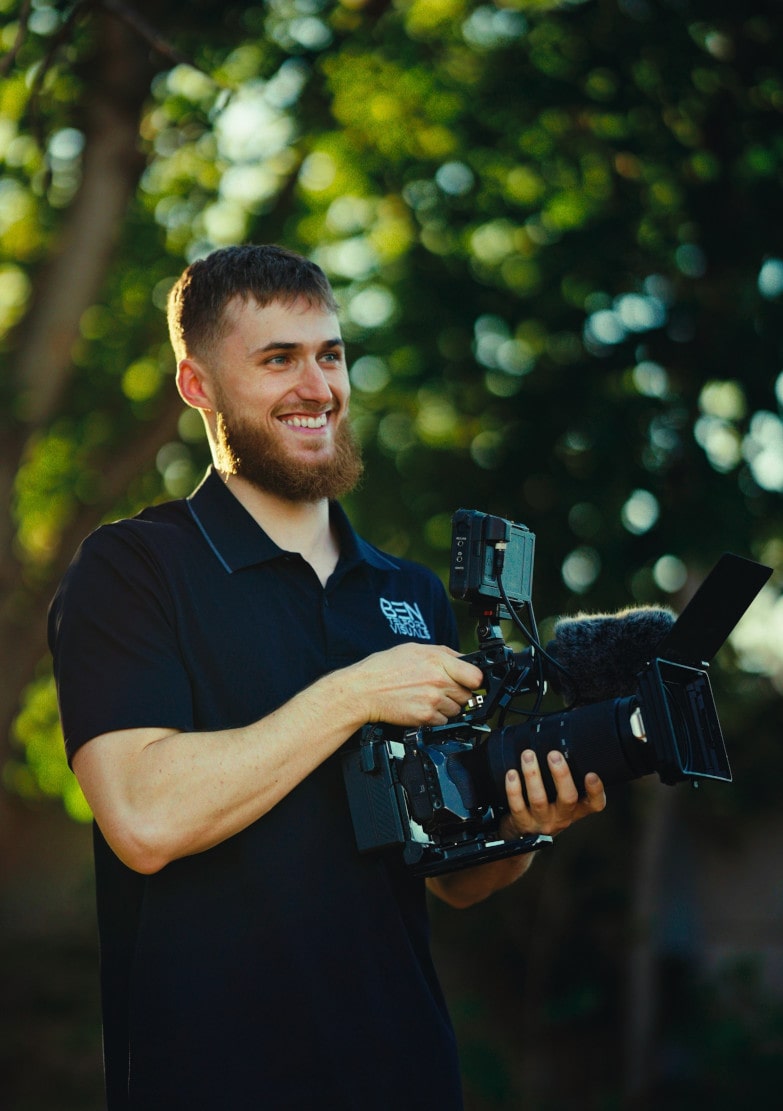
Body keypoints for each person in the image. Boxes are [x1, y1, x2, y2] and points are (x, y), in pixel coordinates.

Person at [48, 244, 606, 1110]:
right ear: (198, 387)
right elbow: (144, 817)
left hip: (405, 1075)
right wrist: (353, 693)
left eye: (330, 354)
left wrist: (524, 827)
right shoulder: (133, 568)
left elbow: (452, 877)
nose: (318, 387)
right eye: (278, 359)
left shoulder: (408, 592)